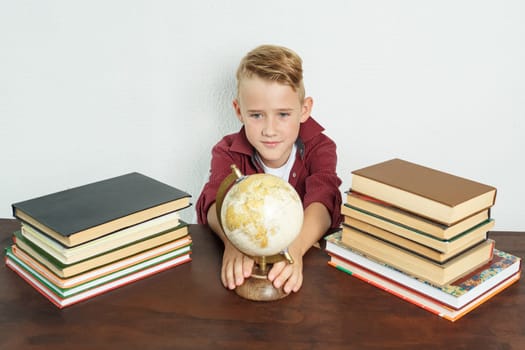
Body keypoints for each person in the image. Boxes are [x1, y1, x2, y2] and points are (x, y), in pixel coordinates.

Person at [196, 44, 342, 295]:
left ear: (304, 109)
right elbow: (212, 201)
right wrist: (233, 242)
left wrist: (294, 249)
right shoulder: (227, 151)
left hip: (309, 271)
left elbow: (324, 200)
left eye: (283, 114)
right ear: (239, 111)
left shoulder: (320, 147)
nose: (270, 130)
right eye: (256, 115)